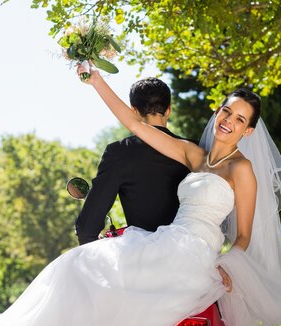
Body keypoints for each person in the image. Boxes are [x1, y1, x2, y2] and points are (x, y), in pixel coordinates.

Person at [0, 64, 281, 326]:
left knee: (101, 276)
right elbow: (137, 125)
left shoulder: (241, 169)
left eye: (240, 119)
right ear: (218, 111)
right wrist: (96, 82)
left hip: (196, 255)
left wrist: (228, 263)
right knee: (85, 269)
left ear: (248, 131)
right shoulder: (195, 157)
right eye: (227, 110)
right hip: (169, 242)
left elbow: (243, 235)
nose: (229, 120)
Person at [75, 77, 193, 245]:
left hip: (142, 262)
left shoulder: (118, 153)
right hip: (191, 256)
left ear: (133, 111)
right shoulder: (194, 150)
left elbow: (87, 229)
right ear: (168, 110)